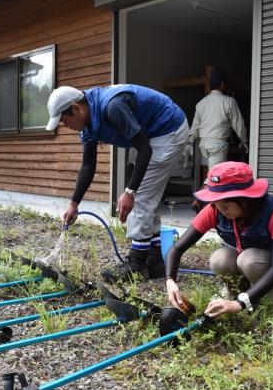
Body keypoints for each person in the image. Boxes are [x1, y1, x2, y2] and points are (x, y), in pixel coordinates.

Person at [45, 84, 189, 280]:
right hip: (151, 134)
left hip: (168, 128)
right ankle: (155, 262)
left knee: (141, 195)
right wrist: (74, 204)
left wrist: (130, 192)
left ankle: (137, 264)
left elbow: (144, 149)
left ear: (77, 107)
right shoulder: (87, 125)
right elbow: (88, 166)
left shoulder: (112, 106)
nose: (66, 126)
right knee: (147, 193)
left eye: (65, 120)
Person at [164, 161, 273, 322]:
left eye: (225, 205)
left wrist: (240, 304)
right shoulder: (215, 210)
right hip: (248, 256)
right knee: (219, 259)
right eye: (216, 203)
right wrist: (170, 280)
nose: (220, 209)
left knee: (249, 260)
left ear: (245, 199)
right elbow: (177, 248)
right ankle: (239, 292)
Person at [188, 72, 248, 170]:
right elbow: (238, 123)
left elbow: (195, 126)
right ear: (222, 84)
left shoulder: (201, 103)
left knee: (211, 174)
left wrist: (190, 141)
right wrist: (244, 140)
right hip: (217, 145)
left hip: (203, 145)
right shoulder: (229, 101)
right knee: (215, 177)